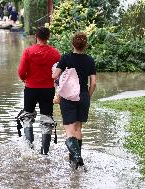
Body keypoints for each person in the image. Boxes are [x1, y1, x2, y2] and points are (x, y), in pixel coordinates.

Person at [52, 32, 97, 168]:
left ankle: (77, 158)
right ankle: (74, 163)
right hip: (83, 96)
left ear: (72, 44)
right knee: (78, 129)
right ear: (86, 45)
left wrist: (57, 69)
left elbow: (55, 76)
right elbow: (93, 83)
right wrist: (87, 96)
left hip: (68, 97)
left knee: (69, 131)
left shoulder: (66, 58)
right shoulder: (90, 60)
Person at [17, 27, 61, 155]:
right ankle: (44, 152)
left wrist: (25, 79)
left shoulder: (28, 51)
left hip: (31, 88)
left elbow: (21, 71)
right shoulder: (55, 53)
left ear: (36, 36)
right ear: (48, 37)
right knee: (47, 119)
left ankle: (29, 149)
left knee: (27, 116)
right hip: (48, 90)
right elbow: (59, 72)